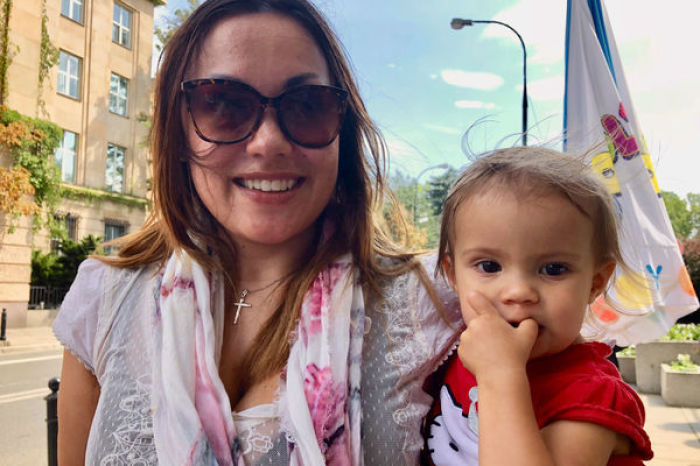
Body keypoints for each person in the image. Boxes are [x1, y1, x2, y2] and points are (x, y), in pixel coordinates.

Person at [52, 0, 463, 464]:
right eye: (223, 103)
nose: (268, 142)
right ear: (178, 132)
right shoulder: (104, 299)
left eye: (308, 105)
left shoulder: (436, 303)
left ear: (341, 130)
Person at [423, 147, 653, 465]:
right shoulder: (457, 348)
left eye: (554, 269)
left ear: (595, 282)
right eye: (489, 266)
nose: (518, 292)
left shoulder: (592, 398)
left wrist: (500, 374)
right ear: (452, 275)